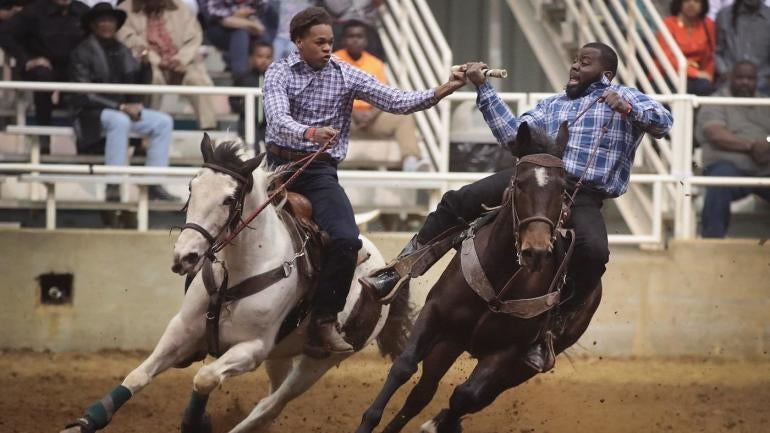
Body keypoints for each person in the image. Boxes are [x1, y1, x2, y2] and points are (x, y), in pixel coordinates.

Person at [362, 42, 673, 371]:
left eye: (585, 62)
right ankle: (399, 272)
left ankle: (551, 327)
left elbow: (664, 123)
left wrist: (626, 108)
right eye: (575, 61)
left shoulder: (627, 97)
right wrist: (484, 88)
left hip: (582, 193)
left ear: (606, 74)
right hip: (534, 178)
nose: (575, 67)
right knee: (458, 200)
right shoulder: (552, 105)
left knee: (594, 251)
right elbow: (513, 137)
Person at [263, 6, 464, 354]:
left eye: (330, 42)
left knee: (345, 239)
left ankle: (324, 320)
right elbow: (277, 119)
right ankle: (207, 297)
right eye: (319, 42)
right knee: (225, 219)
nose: (328, 48)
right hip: (275, 168)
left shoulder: (347, 75)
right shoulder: (278, 72)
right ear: (298, 42)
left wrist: (443, 89)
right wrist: (310, 131)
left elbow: (397, 101)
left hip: (318, 172)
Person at [69, 2, 177, 202]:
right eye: (102, 20)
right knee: (120, 121)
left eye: (110, 20)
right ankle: (113, 184)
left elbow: (135, 82)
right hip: (91, 113)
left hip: (122, 109)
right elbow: (83, 94)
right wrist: (120, 107)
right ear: (93, 24)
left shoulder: (122, 49)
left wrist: (145, 66)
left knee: (164, 122)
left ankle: (154, 183)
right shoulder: (82, 51)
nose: (107, 24)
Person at [334, 19, 430, 171]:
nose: (355, 40)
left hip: (372, 117)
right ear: (344, 39)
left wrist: (372, 114)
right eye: (351, 36)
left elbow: (382, 94)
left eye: (359, 37)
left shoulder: (376, 63)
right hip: (346, 119)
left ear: (366, 41)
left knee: (404, 117)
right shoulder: (334, 60)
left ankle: (411, 163)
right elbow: (333, 96)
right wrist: (353, 113)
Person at [695, 61, 770, 238]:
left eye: (750, 78)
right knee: (720, 180)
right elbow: (716, 134)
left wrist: (767, 142)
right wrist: (751, 145)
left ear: (756, 80)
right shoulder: (716, 101)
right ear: (730, 78)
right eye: (740, 77)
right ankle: (712, 242)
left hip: (765, 168)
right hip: (728, 166)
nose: (745, 82)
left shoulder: (765, 102)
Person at [117, 0, 218, 130]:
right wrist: (157, 60)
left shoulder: (181, 8)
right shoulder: (125, 10)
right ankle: (147, 128)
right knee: (153, 77)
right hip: (147, 63)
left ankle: (208, 129)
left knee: (198, 79)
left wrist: (180, 59)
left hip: (180, 62)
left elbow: (194, 37)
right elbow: (129, 40)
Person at [0, 0, 88, 135]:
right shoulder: (33, 11)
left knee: (86, 77)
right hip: (41, 69)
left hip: (73, 69)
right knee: (42, 75)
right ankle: (43, 136)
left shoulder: (83, 12)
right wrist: (28, 59)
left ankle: (85, 144)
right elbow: (5, 34)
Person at [657, 0, 716, 95]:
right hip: (669, 74)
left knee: (706, 86)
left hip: (698, 77)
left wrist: (708, 75)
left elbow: (711, 56)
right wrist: (694, 73)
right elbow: (666, 58)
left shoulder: (708, 24)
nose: (691, 4)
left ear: (703, 5)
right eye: (687, 0)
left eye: (697, 1)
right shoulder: (668, 24)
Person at [714, 0, 770, 93]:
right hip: (728, 78)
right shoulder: (724, 16)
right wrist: (724, 72)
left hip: (762, 80)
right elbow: (716, 51)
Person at [204, 0, 270, 77]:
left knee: (263, 37)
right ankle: (240, 75)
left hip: (252, 29)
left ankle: (265, 75)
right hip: (219, 31)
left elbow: (260, 23)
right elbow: (219, 19)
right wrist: (250, 24)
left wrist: (240, 19)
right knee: (240, 33)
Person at [230, 40, 272, 149]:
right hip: (247, 122)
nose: (264, 60)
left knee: (270, 152)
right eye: (260, 56)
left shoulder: (275, 79)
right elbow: (233, 99)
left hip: (268, 124)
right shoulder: (243, 77)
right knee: (251, 150)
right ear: (252, 58)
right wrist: (244, 110)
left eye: (268, 57)